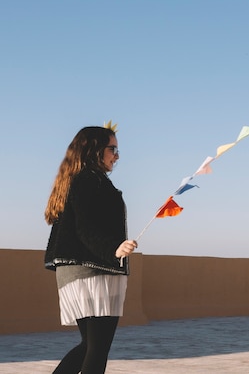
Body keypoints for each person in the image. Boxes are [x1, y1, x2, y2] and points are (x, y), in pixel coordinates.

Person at [44, 124, 138, 374]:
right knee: (97, 348)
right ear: (94, 149)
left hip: (82, 268)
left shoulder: (82, 179)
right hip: (92, 270)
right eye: (112, 149)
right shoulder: (88, 180)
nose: (116, 155)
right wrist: (114, 250)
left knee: (90, 346)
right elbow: (85, 228)